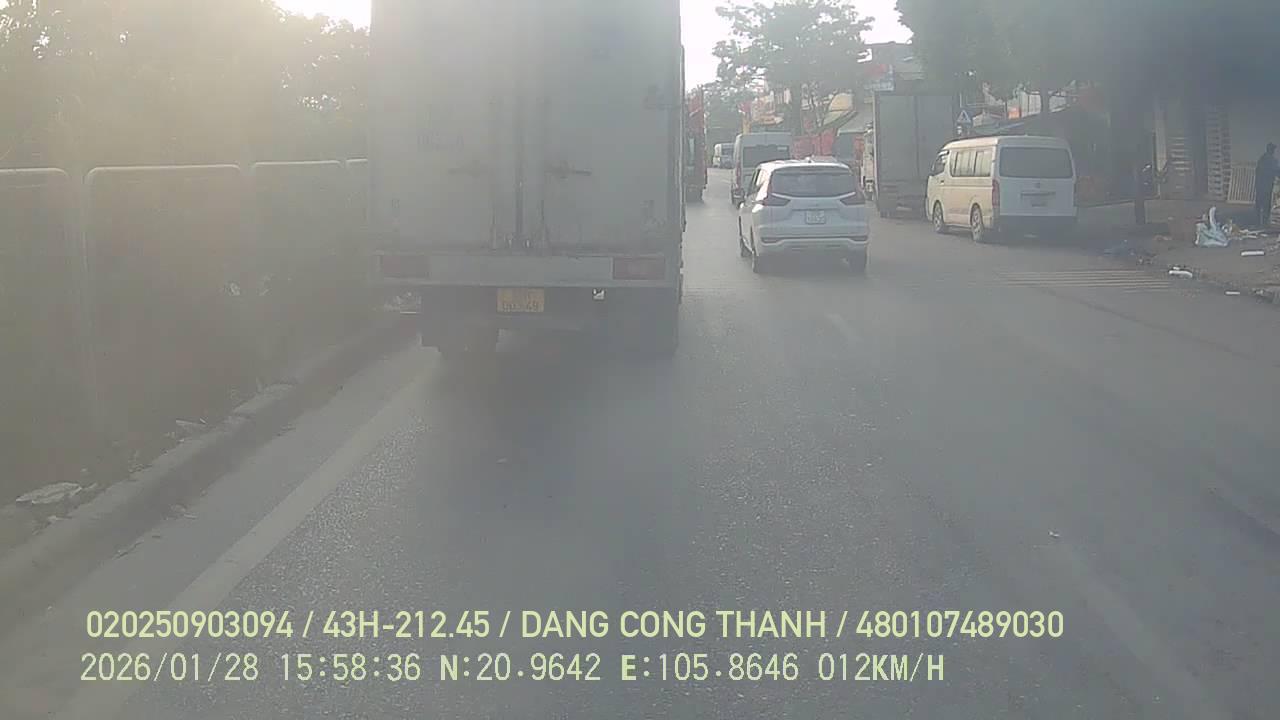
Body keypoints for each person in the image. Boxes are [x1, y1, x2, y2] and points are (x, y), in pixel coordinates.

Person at [1256, 143, 1280, 228]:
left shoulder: (1262, 159)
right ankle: (1264, 222)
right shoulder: (1272, 160)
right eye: (1273, 149)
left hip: (1260, 185)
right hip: (1266, 185)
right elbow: (1276, 171)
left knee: (1259, 204)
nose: (1273, 151)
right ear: (1271, 150)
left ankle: (1258, 222)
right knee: (1266, 204)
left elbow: (1257, 171)